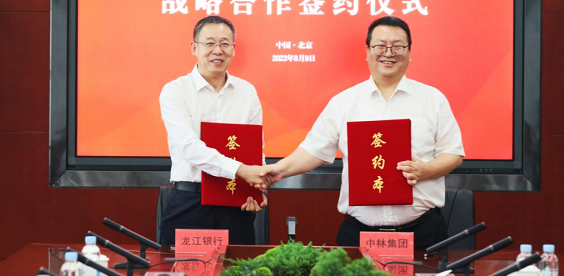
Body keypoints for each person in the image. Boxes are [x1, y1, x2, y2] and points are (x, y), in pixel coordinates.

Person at [259, 16, 464, 248]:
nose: (388, 53)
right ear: (367, 51)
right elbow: (312, 151)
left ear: (409, 51)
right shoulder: (344, 102)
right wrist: (278, 170)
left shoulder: (433, 99)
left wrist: (426, 170)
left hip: (424, 234)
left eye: (397, 46)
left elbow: (453, 153)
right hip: (358, 235)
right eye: (380, 46)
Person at [158, 15, 268, 246]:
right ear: (194, 47)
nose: (218, 50)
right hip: (189, 204)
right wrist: (241, 170)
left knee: (237, 265)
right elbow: (188, 147)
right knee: (183, 265)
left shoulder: (247, 92)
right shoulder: (175, 90)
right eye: (209, 43)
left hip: (236, 202)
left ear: (233, 49)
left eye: (225, 44)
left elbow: (255, 148)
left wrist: (258, 187)